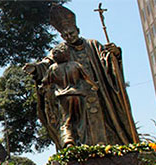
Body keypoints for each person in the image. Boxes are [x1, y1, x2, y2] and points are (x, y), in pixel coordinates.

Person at [23, 4, 139, 149]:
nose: (69, 37)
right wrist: (35, 68)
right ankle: (82, 152)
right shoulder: (61, 50)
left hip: (100, 96)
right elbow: (47, 64)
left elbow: (108, 61)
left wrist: (114, 53)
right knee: (77, 127)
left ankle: (111, 151)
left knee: (106, 126)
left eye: (71, 33)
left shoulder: (93, 45)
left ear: (77, 30)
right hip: (78, 99)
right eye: (65, 35)